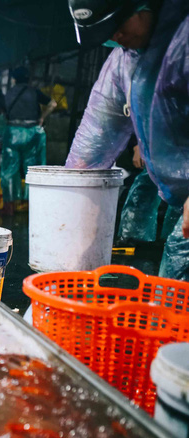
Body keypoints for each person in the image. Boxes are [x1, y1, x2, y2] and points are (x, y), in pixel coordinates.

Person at [66, 0, 189, 280]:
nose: (115, 36)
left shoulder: (183, 40)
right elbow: (98, 131)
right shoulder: (124, 59)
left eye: (118, 25)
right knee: (173, 295)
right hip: (181, 194)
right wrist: (71, 193)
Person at [1, 66, 57, 214]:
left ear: (14, 79)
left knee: (9, 170)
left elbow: (3, 112)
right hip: (32, 133)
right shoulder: (34, 91)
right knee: (31, 169)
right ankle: (31, 207)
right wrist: (42, 117)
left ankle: (9, 206)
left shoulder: (8, 94)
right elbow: (53, 104)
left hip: (13, 133)